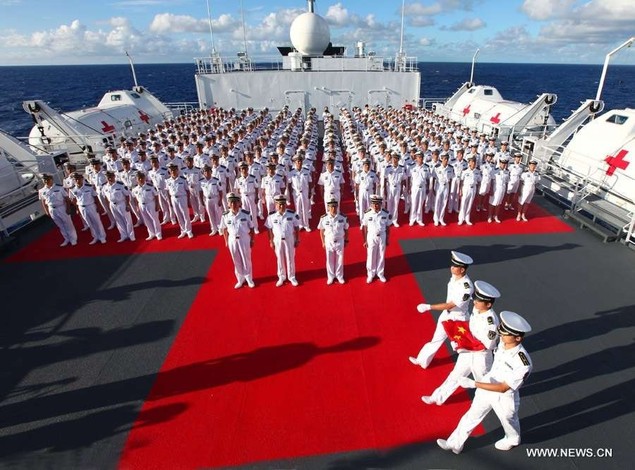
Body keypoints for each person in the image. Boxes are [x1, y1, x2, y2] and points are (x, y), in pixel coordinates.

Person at [437, 311, 533, 454]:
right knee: (472, 414)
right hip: (487, 386)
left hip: (504, 397)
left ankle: (513, 438)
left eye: (506, 333)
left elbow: (503, 387)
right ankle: (455, 443)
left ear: (518, 338)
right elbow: (482, 344)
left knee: (508, 420)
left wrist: (474, 384)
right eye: (502, 331)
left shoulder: (523, 363)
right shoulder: (502, 343)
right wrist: (461, 344)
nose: (501, 335)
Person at [421, 280, 500, 405]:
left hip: (481, 357)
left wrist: (467, 344)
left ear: (488, 304)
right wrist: (459, 340)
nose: (474, 302)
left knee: (484, 382)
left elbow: (488, 344)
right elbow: (470, 329)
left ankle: (492, 402)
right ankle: (438, 397)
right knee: (456, 374)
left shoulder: (491, 322)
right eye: (475, 299)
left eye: (478, 301)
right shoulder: (477, 310)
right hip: (469, 352)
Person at [409, 251, 474, 368]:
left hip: (458, 319)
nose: (452, 267)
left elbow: (450, 305)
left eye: (455, 266)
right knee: (436, 339)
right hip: (447, 315)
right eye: (452, 265)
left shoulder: (466, 287)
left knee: (465, 346)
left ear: (462, 270)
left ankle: (473, 365)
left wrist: (429, 307)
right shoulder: (455, 277)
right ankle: (422, 361)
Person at [219, 192, 256, 289]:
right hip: (232, 240)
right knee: (236, 260)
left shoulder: (246, 214)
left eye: (235, 202)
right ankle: (240, 279)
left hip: (244, 238)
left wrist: (252, 240)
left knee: (246, 259)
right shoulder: (225, 215)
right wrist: (226, 241)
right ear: (228, 204)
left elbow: (251, 228)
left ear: (239, 203)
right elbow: (224, 229)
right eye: (231, 202)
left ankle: (249, 278)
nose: (233, 204)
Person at [264, 194, 300, 287]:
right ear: (276, 205)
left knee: (290, 258)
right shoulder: (271, 216)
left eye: (283, 204)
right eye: (279, 204)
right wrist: (271, 241)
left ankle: (292, 276)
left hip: (289, 239)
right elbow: (269, 229)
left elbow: (296, 227)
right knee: (279, 258)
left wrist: (297, 239)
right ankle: (281, 276)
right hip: (278, 240)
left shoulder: (292, 214)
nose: (281, 206)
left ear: (285, 204)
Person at [38, 173, 77, 247]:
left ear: (51, 179)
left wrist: (68, 208)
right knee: (60, 225)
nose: (46, 181)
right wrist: (46, 211)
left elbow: (67, 199)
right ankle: (66, 238)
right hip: (52, 209)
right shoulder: (42, 191)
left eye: (47, 179)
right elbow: (43, 202)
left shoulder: (59, 187)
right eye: (44, 179)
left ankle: (73, 239)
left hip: (61, 207)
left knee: (68, 223)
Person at [68, 173, 107, 245]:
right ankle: (95, 237)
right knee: (89, 223)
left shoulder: (89, 187)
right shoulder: (72, 189)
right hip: (81, 207)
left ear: (82, 178)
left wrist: (98, 206)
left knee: (97, 222)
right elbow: (73, 200)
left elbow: (95, 197)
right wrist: (77, 209)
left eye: (79, 178)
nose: (77, 180)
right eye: (75, 179)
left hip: (91, 206)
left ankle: (102, 237)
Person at [317, 199, 349, 284]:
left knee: (340, 259)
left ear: (337, 206)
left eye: (335, 206)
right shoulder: (324, 218)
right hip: (329, 241)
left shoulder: (343, 217)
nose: (333, 208)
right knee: (329, 259)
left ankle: (339, 275)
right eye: (331, 207)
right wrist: (323, 242)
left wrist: (346, 240)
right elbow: (321, 231)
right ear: (328, 207)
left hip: (340, 240)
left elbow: (346, 229)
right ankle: (330, 276)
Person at [361, 194, 391, 283]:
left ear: (381, 204)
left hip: (382, 235)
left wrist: (387, 239)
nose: (375, 206)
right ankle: (370, 274)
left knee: (381, 255)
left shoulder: (386, 213)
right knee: (371, 255)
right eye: (373, 204)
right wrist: (365, 240)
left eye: (377, 204)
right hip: (371, 236)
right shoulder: (367, 213)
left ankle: (380, 273)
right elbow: (364, 227)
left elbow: (388, 227)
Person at [104, 170, 135, 242]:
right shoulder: (105, 187)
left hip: (121, 204)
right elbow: (105, 197)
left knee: (127, 220)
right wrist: (108, 206)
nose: (110, 178)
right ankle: (123, 235)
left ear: (114, 176)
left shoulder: (120, 185)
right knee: (118, 220)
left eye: (111, 176)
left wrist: (127, 205)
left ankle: (131, 235)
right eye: (108, 177)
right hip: (112, 205)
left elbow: (127, 195)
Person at [166, 162, 194, 239]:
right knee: (178, 215)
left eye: (174, 170)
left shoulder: (183, 179)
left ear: (177, 170)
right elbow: (168, 192)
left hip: (182, 198)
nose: (173, 172)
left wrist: (188, 200)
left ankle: (189, 231)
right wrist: (169, 201)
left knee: (185, 215)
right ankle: (183, 230)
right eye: (171, 171)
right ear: (170, 172)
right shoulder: (168, 181)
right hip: (173, 198)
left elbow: (187, 190)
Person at [132, 171, 162, 241]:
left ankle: (158, 234)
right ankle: (151, 233)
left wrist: (157, 205)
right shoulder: (134, 189)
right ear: (136, 179)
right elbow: (134, 198)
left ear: (144, 178)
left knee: (155, 219)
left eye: (142, 178)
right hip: (141, 205)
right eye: (138, 178)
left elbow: (156, 195)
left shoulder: (150, 186)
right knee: (146, 220)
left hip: (150, 204)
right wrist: (136, 206)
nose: (140, 180)